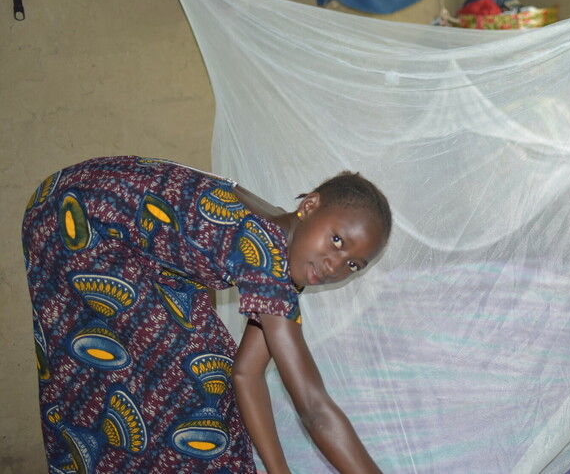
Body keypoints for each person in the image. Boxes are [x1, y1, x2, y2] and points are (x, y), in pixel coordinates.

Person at [22, 155, 391, 473]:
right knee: (197, 380)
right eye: (337, 240)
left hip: (94, 219)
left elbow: (247, 374)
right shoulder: (263, 249)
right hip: (74, 219)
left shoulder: (283, 260)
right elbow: (313, 407)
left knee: (183, 378)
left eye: (353, 264)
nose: (334, 265)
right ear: (310, 206)